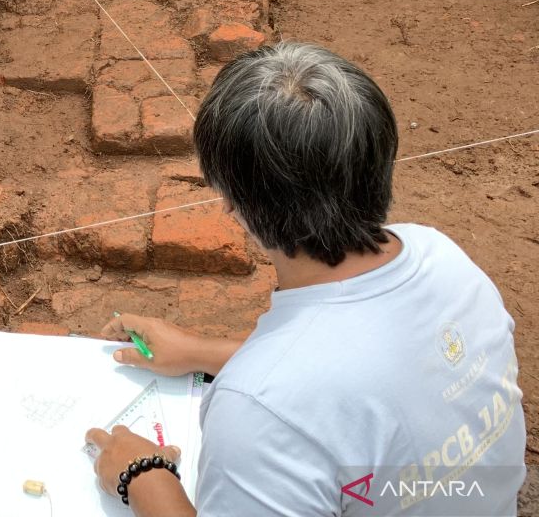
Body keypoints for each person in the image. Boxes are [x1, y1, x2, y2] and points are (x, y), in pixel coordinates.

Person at [84, 42, 526, 516]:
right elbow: (363, 380)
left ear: (231, 203)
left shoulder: (255, 414)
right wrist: (200, 353)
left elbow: (307, 395)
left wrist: (143, 477)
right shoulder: (443, 256)